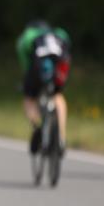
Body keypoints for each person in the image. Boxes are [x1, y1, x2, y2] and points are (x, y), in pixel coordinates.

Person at [16, 20, 71, 155]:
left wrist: (27, 83)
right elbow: (67, 50)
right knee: (57, 96)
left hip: (38, 66)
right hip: (60, 64)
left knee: (29, 97)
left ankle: (36, 127)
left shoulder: (27, 35)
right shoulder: (60, 33)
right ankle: (61, 138)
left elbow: (25, 62)